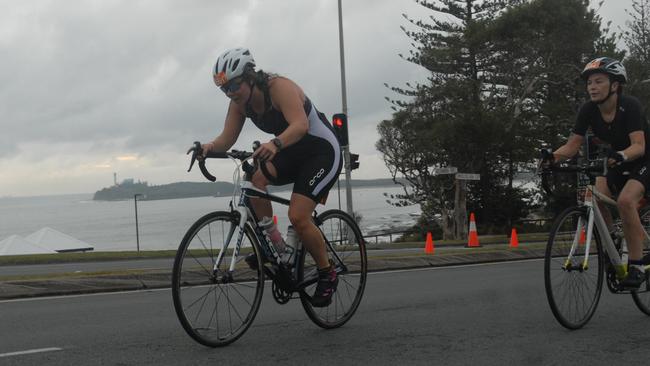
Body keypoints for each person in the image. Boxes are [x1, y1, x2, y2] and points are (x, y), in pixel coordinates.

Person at [201, 48, 343, 306]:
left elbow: (300, 125)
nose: (231, 93)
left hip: (321, 152)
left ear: (250, 77)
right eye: (225, 90)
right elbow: (227, 138)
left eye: (234, 85)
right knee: (257, 180)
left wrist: (275, 144)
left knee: (298, 216)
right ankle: (276, 249)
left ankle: (327, 272)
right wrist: (208, 147)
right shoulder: (238, 105)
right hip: (291, 151)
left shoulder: (279, 87)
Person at [544, 57, 650, 288]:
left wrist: (621, 155)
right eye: (589, 82)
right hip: (615, 160)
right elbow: (572, 146)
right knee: (593, 196)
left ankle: (637, 265)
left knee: (625, 201)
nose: (592, 86)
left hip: (642, 158)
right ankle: (611, 240)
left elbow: (639, 146)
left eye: (599, 81)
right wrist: (552, 158)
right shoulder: (588, 110)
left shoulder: (629, 105)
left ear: (615, 85)